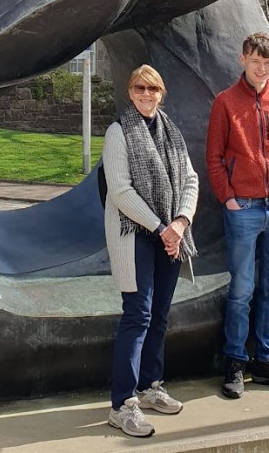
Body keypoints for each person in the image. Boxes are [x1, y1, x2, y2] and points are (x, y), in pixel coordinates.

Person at [205, 32, 269, 399]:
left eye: (268, 63)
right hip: (243, 210)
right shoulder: (226, 103)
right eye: (256, 61)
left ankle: (265, 360)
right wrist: (228, 198)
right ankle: (235, 361)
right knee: (242, 290)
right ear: (243, 59)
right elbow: (214, 157)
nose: (262, 69)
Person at [103, 64, 199, 438]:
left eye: (153, 89)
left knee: (159, 315)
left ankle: (150, 385)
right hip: (136, 234)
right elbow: (121, 190)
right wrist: (160, 227)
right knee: (137, 315)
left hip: (169, 235)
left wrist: (179, 224)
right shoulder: (118, 132)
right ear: (130, 92)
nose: (146, 94)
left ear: (161, 93)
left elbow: (190, 179)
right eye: (140, 88)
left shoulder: (171, 133)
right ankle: (123, 404)